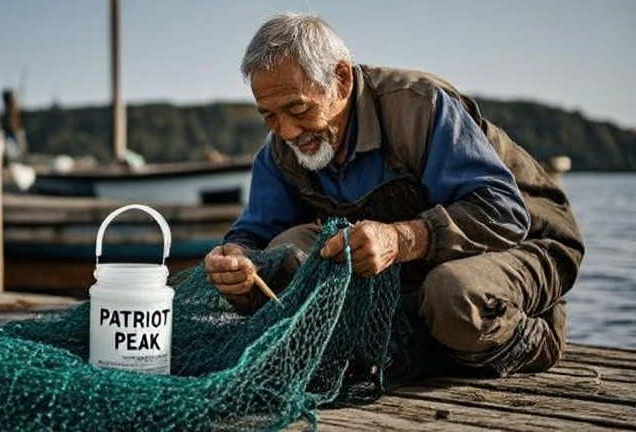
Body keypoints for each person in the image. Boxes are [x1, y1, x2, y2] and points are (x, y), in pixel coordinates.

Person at [203, 13, 584, 377]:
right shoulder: (281, 150)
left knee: (453, 296)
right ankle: (424, 342)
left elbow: (503, 213)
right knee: (284, 252)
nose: (286, 130)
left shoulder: (419, 106)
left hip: (526, 243)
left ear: (341, 79)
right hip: (411, 270)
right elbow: (254, 234)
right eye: (268, 115)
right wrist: (236, 262)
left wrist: (400, 239)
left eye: (298, 108)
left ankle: (534, 335)